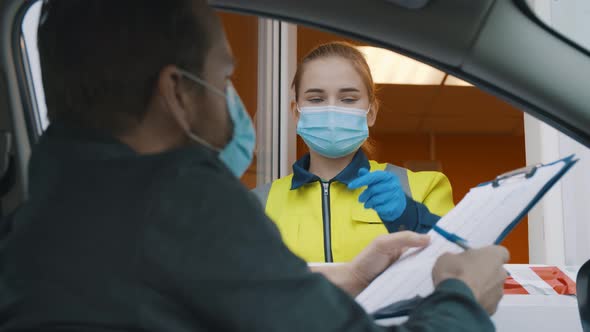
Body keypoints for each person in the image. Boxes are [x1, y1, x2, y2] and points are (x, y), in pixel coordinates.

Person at [0, 0, 508, 331]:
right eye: (223, 75)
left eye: (349, 97)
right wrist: (463, 300)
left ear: (370, 108)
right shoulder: (187, 198)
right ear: (177, 90)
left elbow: (243, 295)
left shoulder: (54, 197)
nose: (231, 99)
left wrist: (355, 274)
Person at [253, 42, 455, 263]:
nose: (331, 111)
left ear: (371, 112)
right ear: (297, 113)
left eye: (348, 99)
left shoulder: (425, 188)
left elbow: (457, 262)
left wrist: (409, 215)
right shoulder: (257, 204)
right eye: (316, 99)